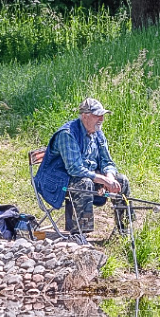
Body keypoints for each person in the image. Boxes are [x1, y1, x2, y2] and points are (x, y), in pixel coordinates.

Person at [34, 97, 131, 236]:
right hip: (59, 183)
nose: (101, 119)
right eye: (98, 115)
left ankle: (124, 230)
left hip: (85, 178)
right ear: (85, 116)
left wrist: (109, 177)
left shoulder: (98, 133)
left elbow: (107, 161)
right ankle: (80, 234)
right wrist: (102, 180)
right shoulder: (67, 134)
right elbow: (75, 169)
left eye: (102, 115)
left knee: (122, 181)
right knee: (84, 183)